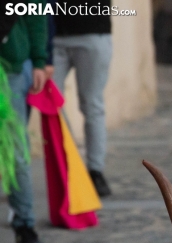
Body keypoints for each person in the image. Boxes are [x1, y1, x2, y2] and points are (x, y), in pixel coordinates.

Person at [0, 0, 48, 243]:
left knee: (16, 151)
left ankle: (24, 224)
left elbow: (35, 11)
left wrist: (39, 60)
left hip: (10, 72)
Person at [52, 0, 113, 197]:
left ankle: (95, 171)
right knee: (52, 107)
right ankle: (69, 165)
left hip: (92, 32)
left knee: (92, 105)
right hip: (53, 35)